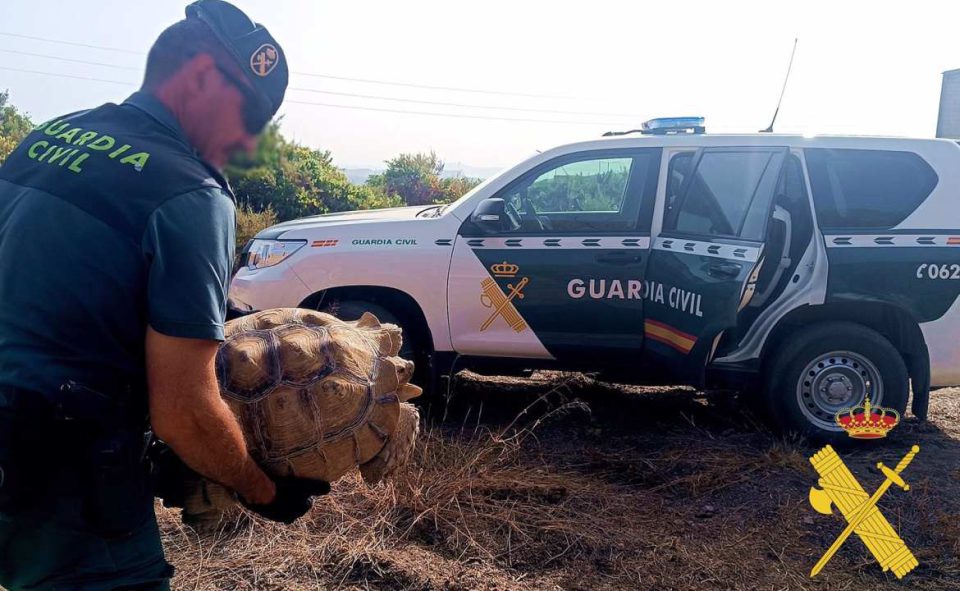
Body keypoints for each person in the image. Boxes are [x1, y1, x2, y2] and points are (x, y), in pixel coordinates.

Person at [0, 2, 328, 589]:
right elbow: (185, 415)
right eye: (248, 116)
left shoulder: (50, 136)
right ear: (200, 76)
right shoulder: (190, 193)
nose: (248, 142)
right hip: (62, 473)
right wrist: (265, 491)